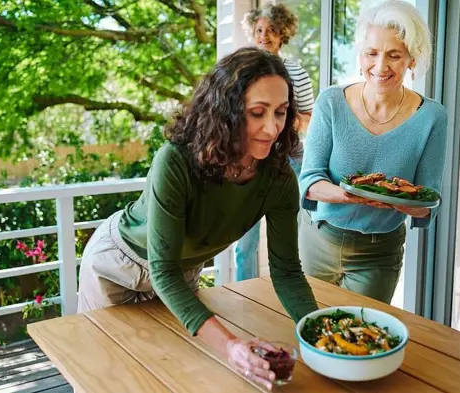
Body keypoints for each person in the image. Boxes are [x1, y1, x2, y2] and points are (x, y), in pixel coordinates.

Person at [77, 47, 318, 390]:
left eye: (280, 112)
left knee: (176, 374)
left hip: (180, 273)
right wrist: (232, 345)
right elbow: (162, 269)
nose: (272, 128)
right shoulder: (175, 161)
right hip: (117, 267)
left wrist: (320, 335)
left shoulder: (279, 180)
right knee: (107, 378)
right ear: (227, 112)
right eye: (257, 113)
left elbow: (287, 272)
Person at [298, 0, 448, 304]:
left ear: (411, 60)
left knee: (360, 338)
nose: (381, 67)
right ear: (360, 56)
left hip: (379, 251)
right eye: (372, 53)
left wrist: (405, 203)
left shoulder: (432, 117)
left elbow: (427, 200)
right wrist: (348, 195)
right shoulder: (331, 103)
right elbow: (310, 180)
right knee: (306, 327)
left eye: (394, 55)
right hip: (320, 240)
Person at [234, 3, 315, 281]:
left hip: (289, 159)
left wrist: (280, 116)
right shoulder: (241, 71)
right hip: (249, 160)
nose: (264, 35)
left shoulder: (296, 72)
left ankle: (289, 290)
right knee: (244, 240)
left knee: (290, 237)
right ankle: (245, 295)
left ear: (283, 34)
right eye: (258, 29)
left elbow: (309, 121)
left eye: (271, 29)